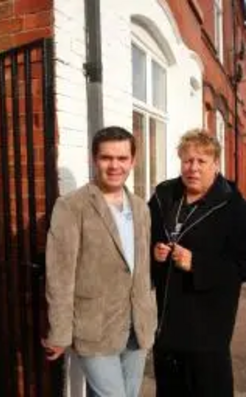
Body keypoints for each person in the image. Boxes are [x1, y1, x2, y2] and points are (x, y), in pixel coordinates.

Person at [43, 126, 156, 397]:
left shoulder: (141, 207)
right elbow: (59, 275)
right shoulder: (72, 206)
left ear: (133, 160)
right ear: (94, 159)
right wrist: (59, 332)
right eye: (107, 158)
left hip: (137, 326)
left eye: (122, 158)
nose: (115, 165)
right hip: (93, 327)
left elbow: (141, 268)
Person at [149, 129, 246, 397]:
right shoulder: (163, 196)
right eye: (187, 161)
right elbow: (142, 239)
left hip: (208, 330)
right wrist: (153, 254)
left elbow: (241, 265)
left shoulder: (233, 205)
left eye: (201, 161)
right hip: (167, 325)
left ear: (216, 164)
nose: (193, 168)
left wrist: (197, 263)